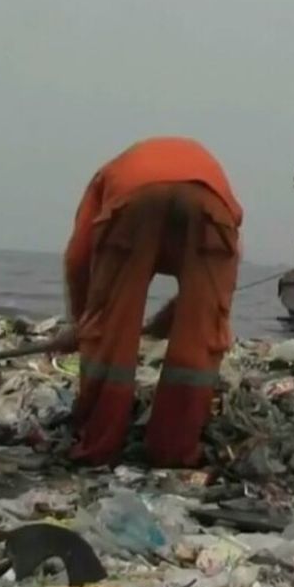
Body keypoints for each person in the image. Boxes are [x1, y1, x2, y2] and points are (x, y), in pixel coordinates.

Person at [59, 137, 243, 468]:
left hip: (131, 201)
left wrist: (83, 320)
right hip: (211, 205)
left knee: (110, 335)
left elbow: (78, 257)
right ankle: (174, 449)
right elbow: (214, 290)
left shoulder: (107, 176)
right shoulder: (191, 170)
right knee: (200, 334)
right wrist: (177, 316)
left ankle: (98, 445)